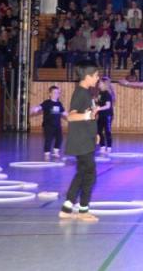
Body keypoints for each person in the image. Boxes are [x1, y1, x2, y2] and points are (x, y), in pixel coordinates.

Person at [59, 64, 101, 222]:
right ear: (88, 76)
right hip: (81, 142)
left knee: (82, 173)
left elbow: (87, 116)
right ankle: (83, 210)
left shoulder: (86, 93)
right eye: (96, 76)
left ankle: (67, 208)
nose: (97, 78)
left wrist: (94, 132)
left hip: (86, 139)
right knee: (90, 175)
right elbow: (71, 116)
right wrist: (87, 116)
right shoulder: (80, 93)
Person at [31, 85, 66, 158]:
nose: (56, 94)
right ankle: (47, 153)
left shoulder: (59, 104)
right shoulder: (47, 102)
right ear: (50, 94)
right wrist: (36, 109)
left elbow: (63, 112)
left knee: (59, 138)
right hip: (48, 126)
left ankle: (56, 152)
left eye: (58, 93)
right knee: (48, 139)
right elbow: (40, 107)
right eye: (55, 93)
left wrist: (71, 116)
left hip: (57, 125)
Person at [96, 77, 115, 153]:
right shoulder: (100, 93)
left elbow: (108, 106)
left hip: (107, 115)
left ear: (104, 84)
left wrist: (99, 108)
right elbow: (99, 102)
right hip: (101, 115)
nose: (98, 84)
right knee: (98, 130)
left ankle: (109, 147)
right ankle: (102, 146)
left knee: (107, 131)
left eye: (100, 83)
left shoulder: (107, 94)